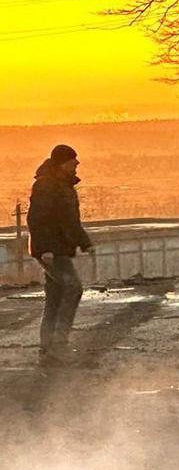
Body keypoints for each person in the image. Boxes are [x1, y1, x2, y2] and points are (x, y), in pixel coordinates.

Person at [28, 144, 92, 367]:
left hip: (59, 249)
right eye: (72, 161)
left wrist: (85, 243)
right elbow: (37, 220)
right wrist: (45, 249)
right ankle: (58, 346)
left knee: (55, 297)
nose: (76, 165)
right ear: (62, 163)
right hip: (52, 251)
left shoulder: (62, 186)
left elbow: (70, 222)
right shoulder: (46, 186)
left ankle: (48, 350)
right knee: (73, 287)